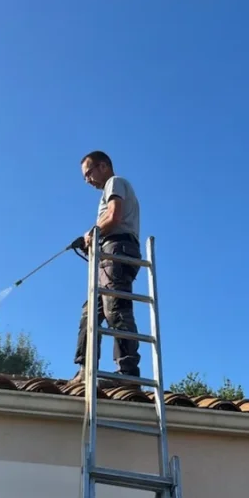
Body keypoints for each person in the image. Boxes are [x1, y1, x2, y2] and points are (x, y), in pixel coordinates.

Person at [71, 151, 142, 386]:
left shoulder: (115, 182)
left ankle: (128, 374)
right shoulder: (109, 189)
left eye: (88, 173)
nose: (87, 180)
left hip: (118, 250)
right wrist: (91, 238)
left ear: (103, 166)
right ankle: (85, 371)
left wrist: (92, 233)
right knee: (89, 312)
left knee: (116, 308)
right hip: (108, 253)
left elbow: (114, 216)